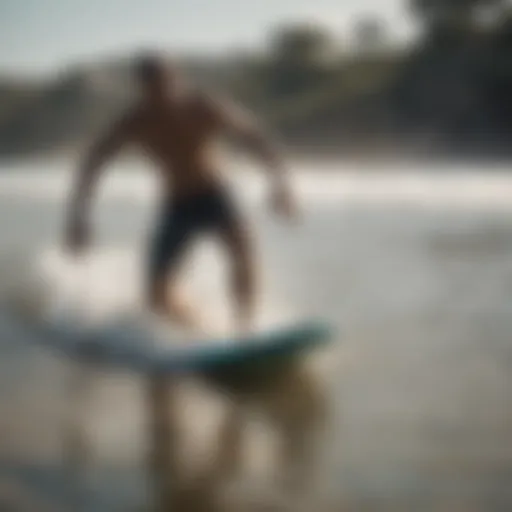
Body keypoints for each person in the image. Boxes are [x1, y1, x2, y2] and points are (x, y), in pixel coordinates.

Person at [64, 52, 297, 333]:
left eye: (167, 83)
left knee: (242, 253)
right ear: (142, 88)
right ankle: (197, 329)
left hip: (215, 194)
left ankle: (246, 328)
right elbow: (93, 162)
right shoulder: (135, 121)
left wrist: (280, 184)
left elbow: (254, 136)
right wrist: (79, 218)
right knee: (155, 296)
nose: (162, 93)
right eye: (153, 87)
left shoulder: (203, 107)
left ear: (177, 79)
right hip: (177, 204)